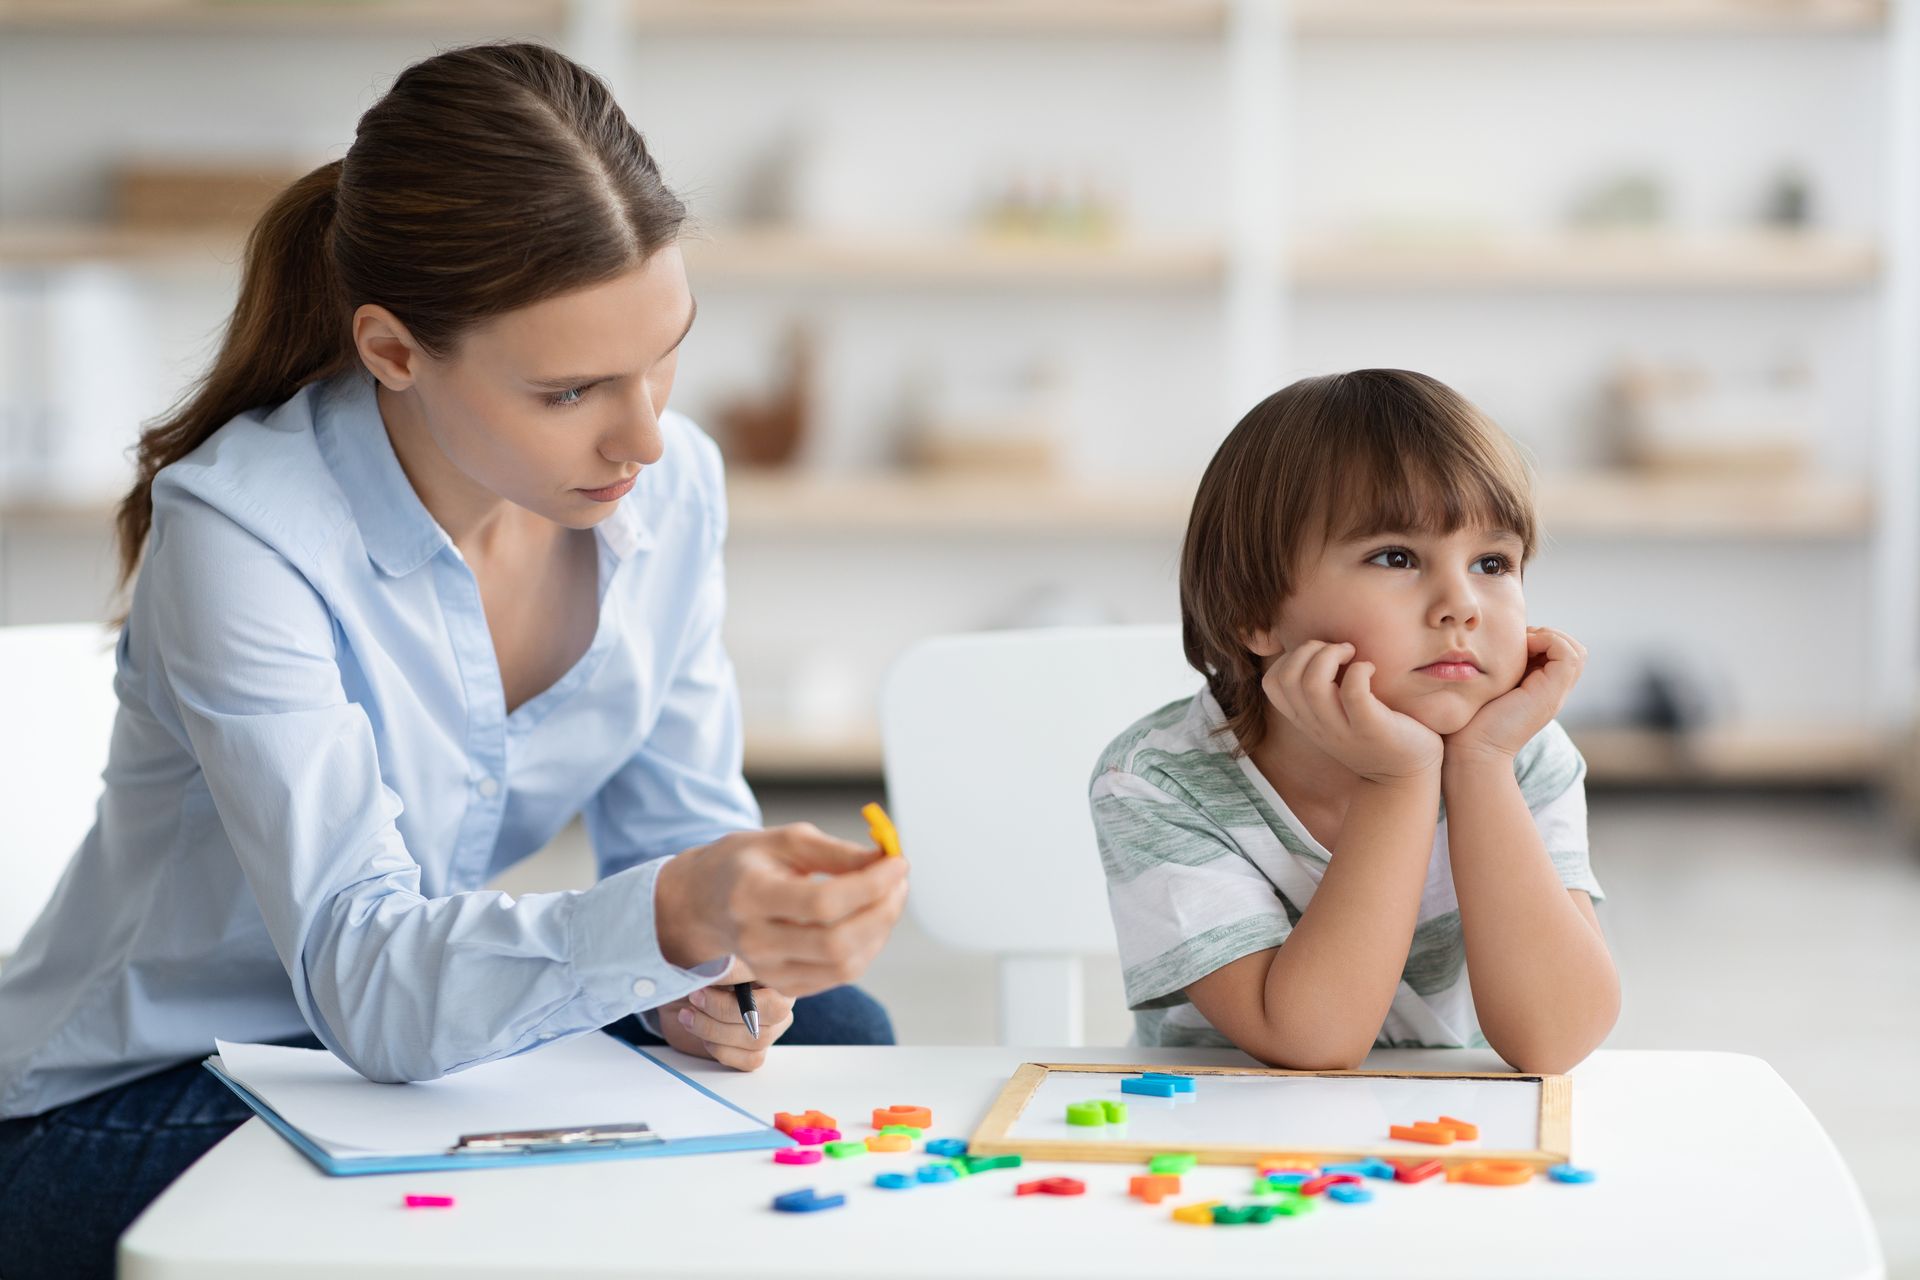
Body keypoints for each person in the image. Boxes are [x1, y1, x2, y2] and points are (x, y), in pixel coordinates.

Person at [0, 42, 906, 1279]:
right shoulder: (243, 535)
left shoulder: (669, 483)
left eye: (664, 354)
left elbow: (682, 836)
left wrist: (726, 966)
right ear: (392, 350)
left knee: (842, 1032)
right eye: (572, 387)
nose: (644, 433)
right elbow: (366, 975)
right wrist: (672, 913)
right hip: (140, 1098)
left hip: (415, 1045)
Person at [1091, 369, 1617, 1071]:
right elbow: (1310, 1041)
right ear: (1254, 611)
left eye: (1493, 562)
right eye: (1396, 557)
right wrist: (1398, 780)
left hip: (1452, 1147)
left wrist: (1482, 767)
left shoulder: (1520, 753)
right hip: (1235, 1143)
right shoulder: (1157, 782)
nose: (1461, 604)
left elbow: (1556, 1040)